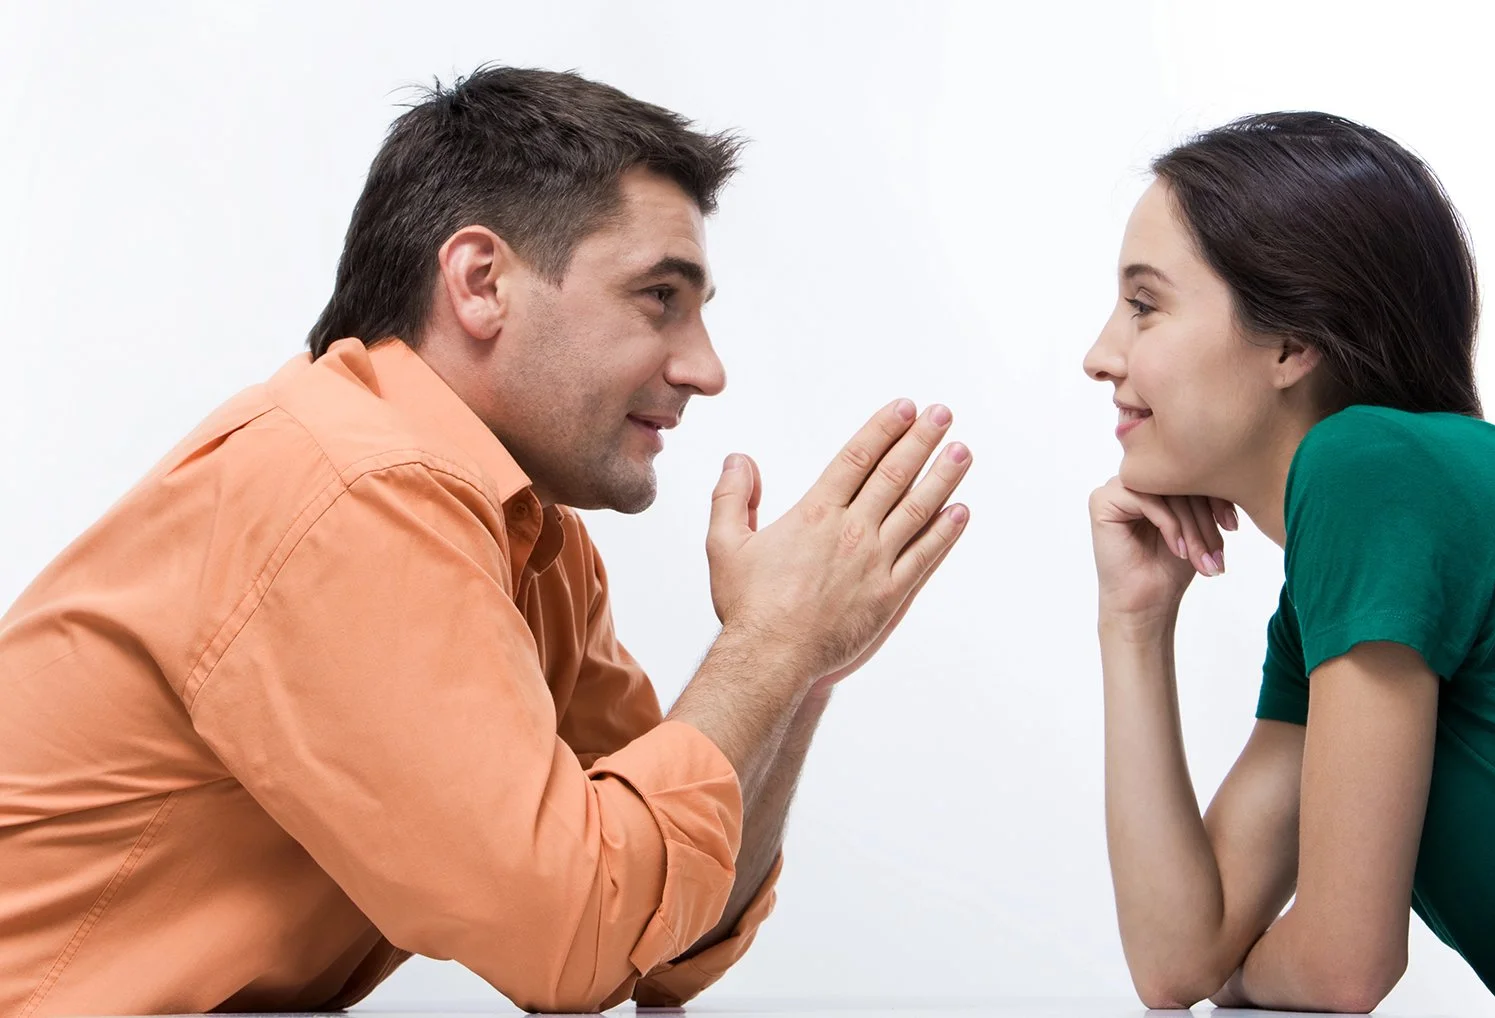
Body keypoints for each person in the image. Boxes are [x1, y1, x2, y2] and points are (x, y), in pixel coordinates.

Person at [0, 67, 973, 1017]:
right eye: (658, 298)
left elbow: (658, 928)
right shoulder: (351, 487)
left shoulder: (523, 531)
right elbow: (573, 941)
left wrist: (799, 668)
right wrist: (767, 643)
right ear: (480, 283)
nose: (703, 368)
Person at [1084, 112, 1495, 1016]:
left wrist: (1241, 981)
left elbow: (1339, 967)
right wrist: (1134, 621)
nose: (1100, 355)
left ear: (1291, 344)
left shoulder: (1369, 467)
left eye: (1145, 305)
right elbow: (1178, 960)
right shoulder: (1347, 571)